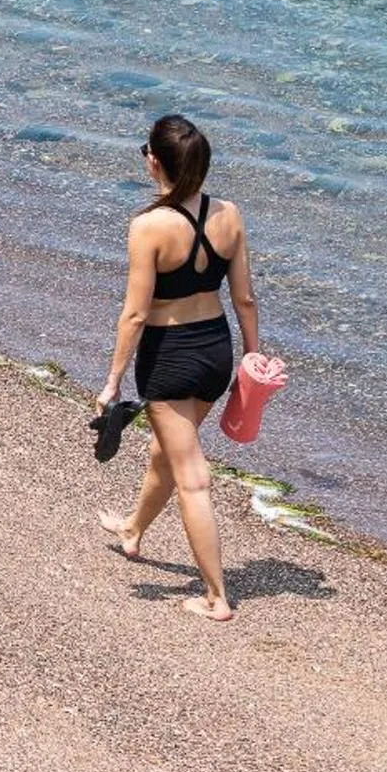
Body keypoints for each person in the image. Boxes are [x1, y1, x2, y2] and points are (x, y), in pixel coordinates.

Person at [93, 114, 263, 621]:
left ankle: (216, 597)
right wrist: (251, 357)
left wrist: (112, 381)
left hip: (168, 357)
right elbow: (245, 298)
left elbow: (137, 313)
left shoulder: (148, 227)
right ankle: (133, 529)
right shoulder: (228, 215)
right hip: (215, 350)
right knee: (164, 449)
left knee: (192, 476)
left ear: (154, 162)